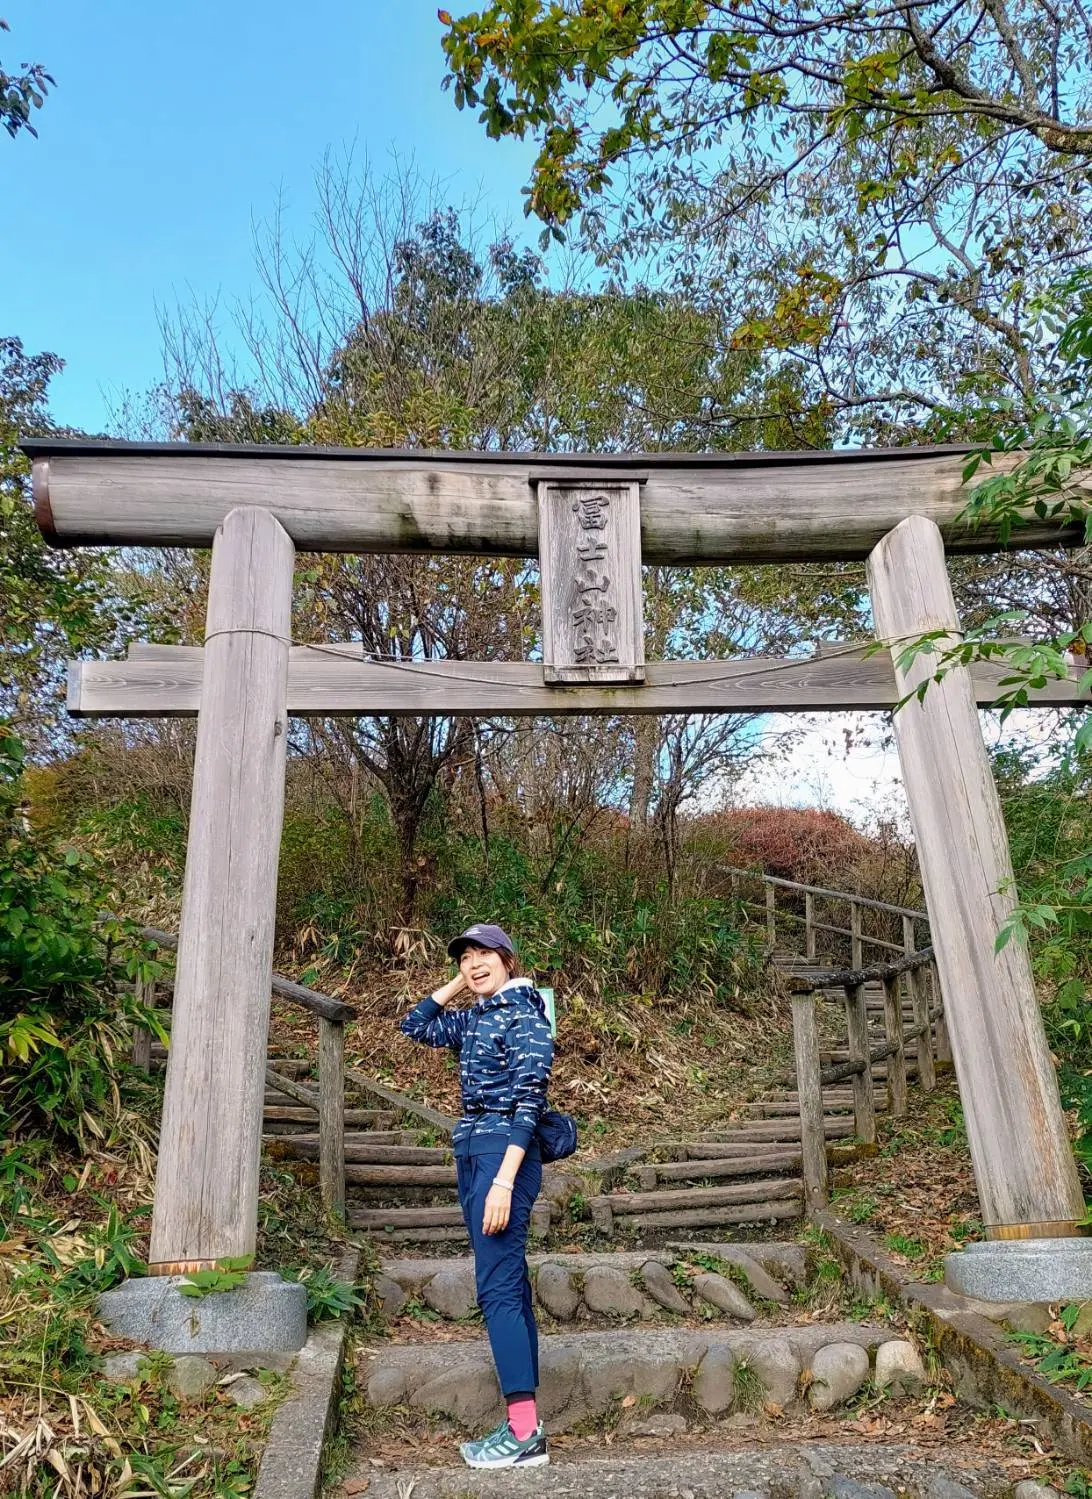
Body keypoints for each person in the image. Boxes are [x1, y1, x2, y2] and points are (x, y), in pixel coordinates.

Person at [400, 922, 553, 1470]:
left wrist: (505, 1181)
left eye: (484, 953)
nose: (473, 962)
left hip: (501, 1157)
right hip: (472, 1150)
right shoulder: (476, 1017)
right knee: (507, 1282)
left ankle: (524, 1434)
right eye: (465, 957)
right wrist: (459, 986)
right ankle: (525, 1425)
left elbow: (529, 1103)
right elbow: (414, 1025)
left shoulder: (526, 1015)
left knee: (497, 1289)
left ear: (508, 959)